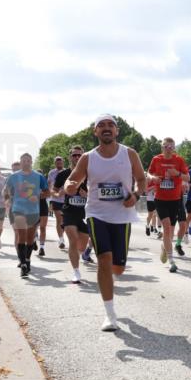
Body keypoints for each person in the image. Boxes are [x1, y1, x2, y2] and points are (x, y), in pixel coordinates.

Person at [63, 115, 146, 331]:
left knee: (117, 267)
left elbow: (141, 179)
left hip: (122, 215)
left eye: (111, 125)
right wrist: (70, 185)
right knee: (104, 260)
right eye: (102, 126)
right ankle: (110, 315)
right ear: (95, 132)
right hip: (96, 213)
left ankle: (110, 280)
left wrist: (136, 196)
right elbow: (72, 179)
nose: (106, 128)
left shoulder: (129, 154)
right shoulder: (88, 158)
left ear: (117, 131)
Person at [147, 138, 189, 273]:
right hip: (160, 199)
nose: (168, 148)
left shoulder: (179, 160)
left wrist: (177, 174)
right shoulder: (156, 159)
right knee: (166, 228)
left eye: (171, 146)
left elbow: (187, 178)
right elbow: (148, 173)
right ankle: (171, 261)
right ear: (162, 147)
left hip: (175, 199)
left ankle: (165, 247)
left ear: (174, 148)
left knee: (170, 232)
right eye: (166, 146)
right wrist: (153, 178)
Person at [5, 153, 49, 277]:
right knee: (21, 235)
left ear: (31, 162)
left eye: (28, 160)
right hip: (18, 209)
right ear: (21, 162)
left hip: (33, 211)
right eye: (23, 160)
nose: (26, 162)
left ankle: (28, 260)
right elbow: (6, 190)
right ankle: (23, 264)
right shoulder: (13, 176)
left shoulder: (38, 176)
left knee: (30, 239)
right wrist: (7, 199)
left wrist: (40, 196)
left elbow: (47, 192)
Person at [52, 146, 91, 284]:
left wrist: (87, 195)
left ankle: (78, 256)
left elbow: (97, 193)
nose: (77, 157)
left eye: (79, 155)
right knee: (73, 241)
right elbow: (54, 191)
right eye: (74, 155)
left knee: (81, 245)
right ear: (70, 157)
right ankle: (76, 272)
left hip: (85, 213)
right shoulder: (63, 175)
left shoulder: (90, 173)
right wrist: (60, 193)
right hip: (68, 211)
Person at [47, 156, 67, 250]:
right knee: (59, 219)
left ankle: (63, 236)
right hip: (55, 199)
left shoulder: (67, 172)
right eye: (57, 163)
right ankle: (61, 239)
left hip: (66, 199)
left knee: (64, 220)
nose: (59, 164)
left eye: (60, 162)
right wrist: (52, 194)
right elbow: (49, 185)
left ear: (63, 163)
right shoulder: (52, 172)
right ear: (55, 163)